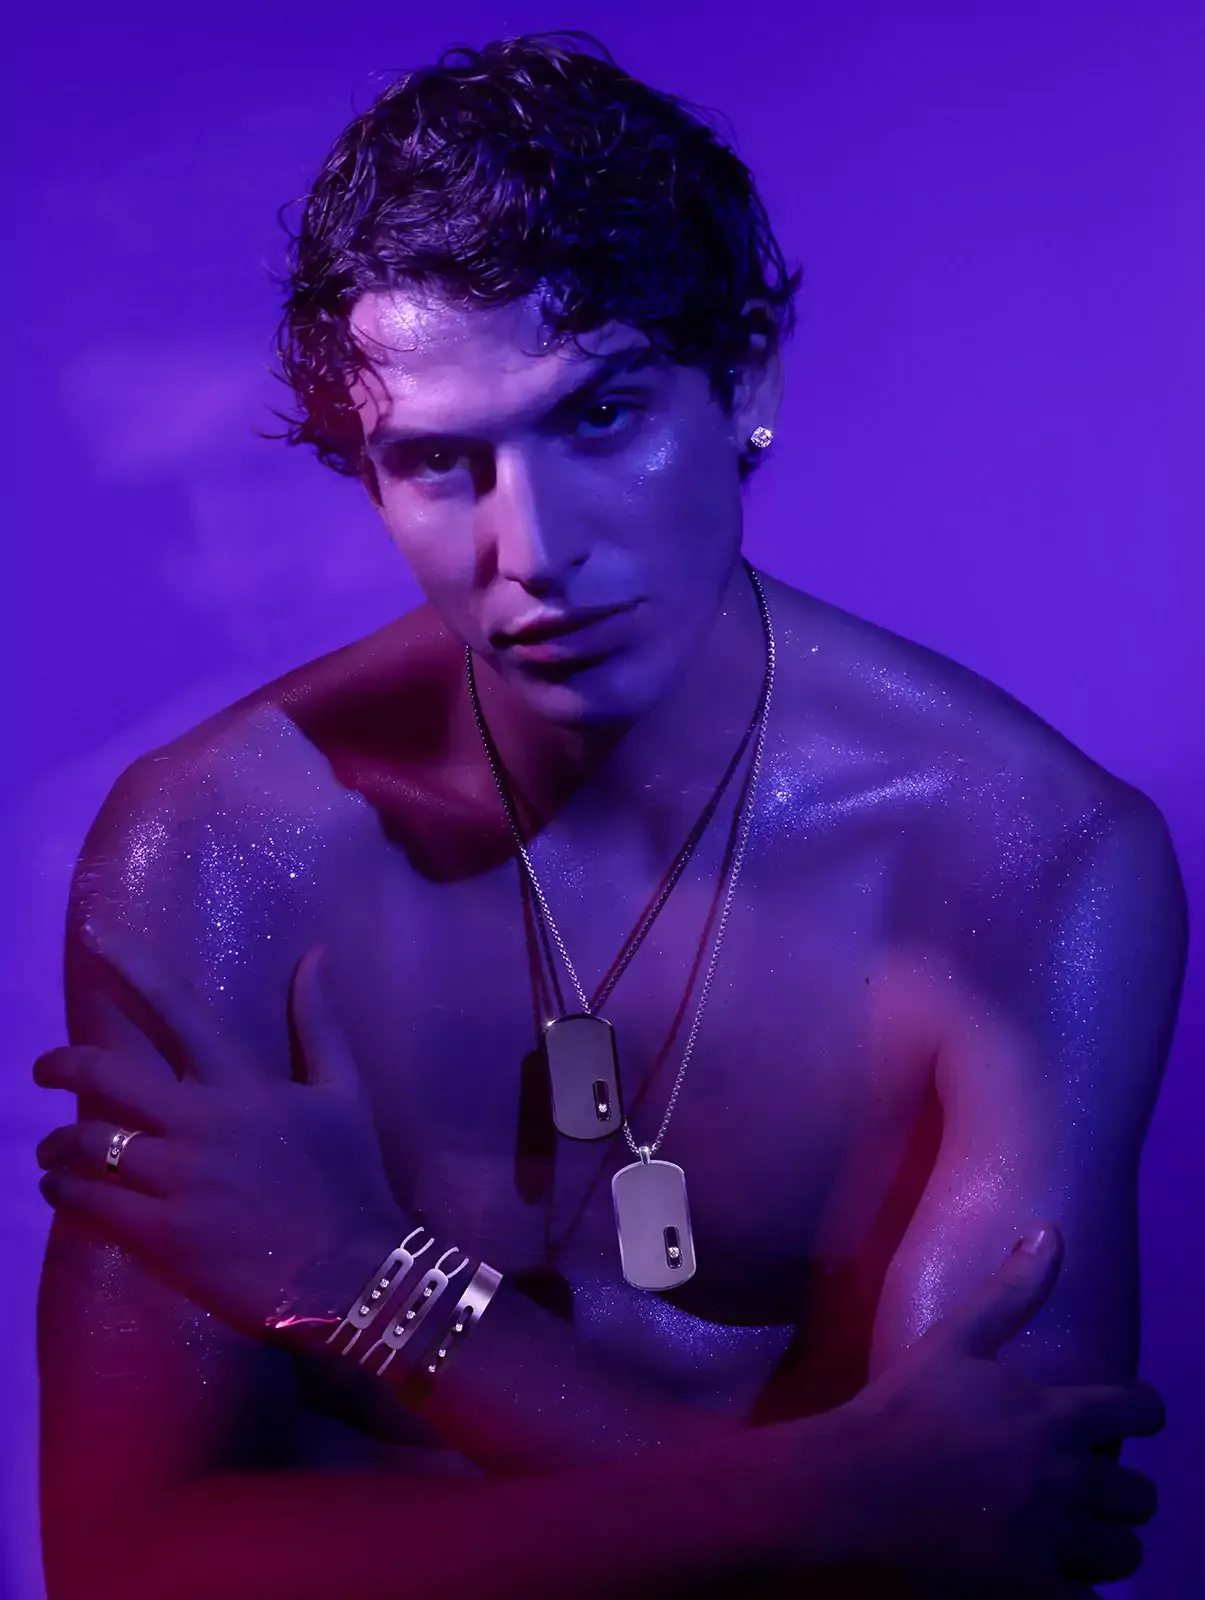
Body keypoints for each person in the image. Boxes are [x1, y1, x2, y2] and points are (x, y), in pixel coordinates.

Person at [32, 31, 1186, 1600]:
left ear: (746, 382)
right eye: (440, 462)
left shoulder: (1021, 858)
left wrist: (370, 1280)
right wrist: (838, 1495)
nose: (536, 550)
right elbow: (126, 1564)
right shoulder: (217, 852)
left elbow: (980, 1556)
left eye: (600, 416)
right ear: (367, 475)